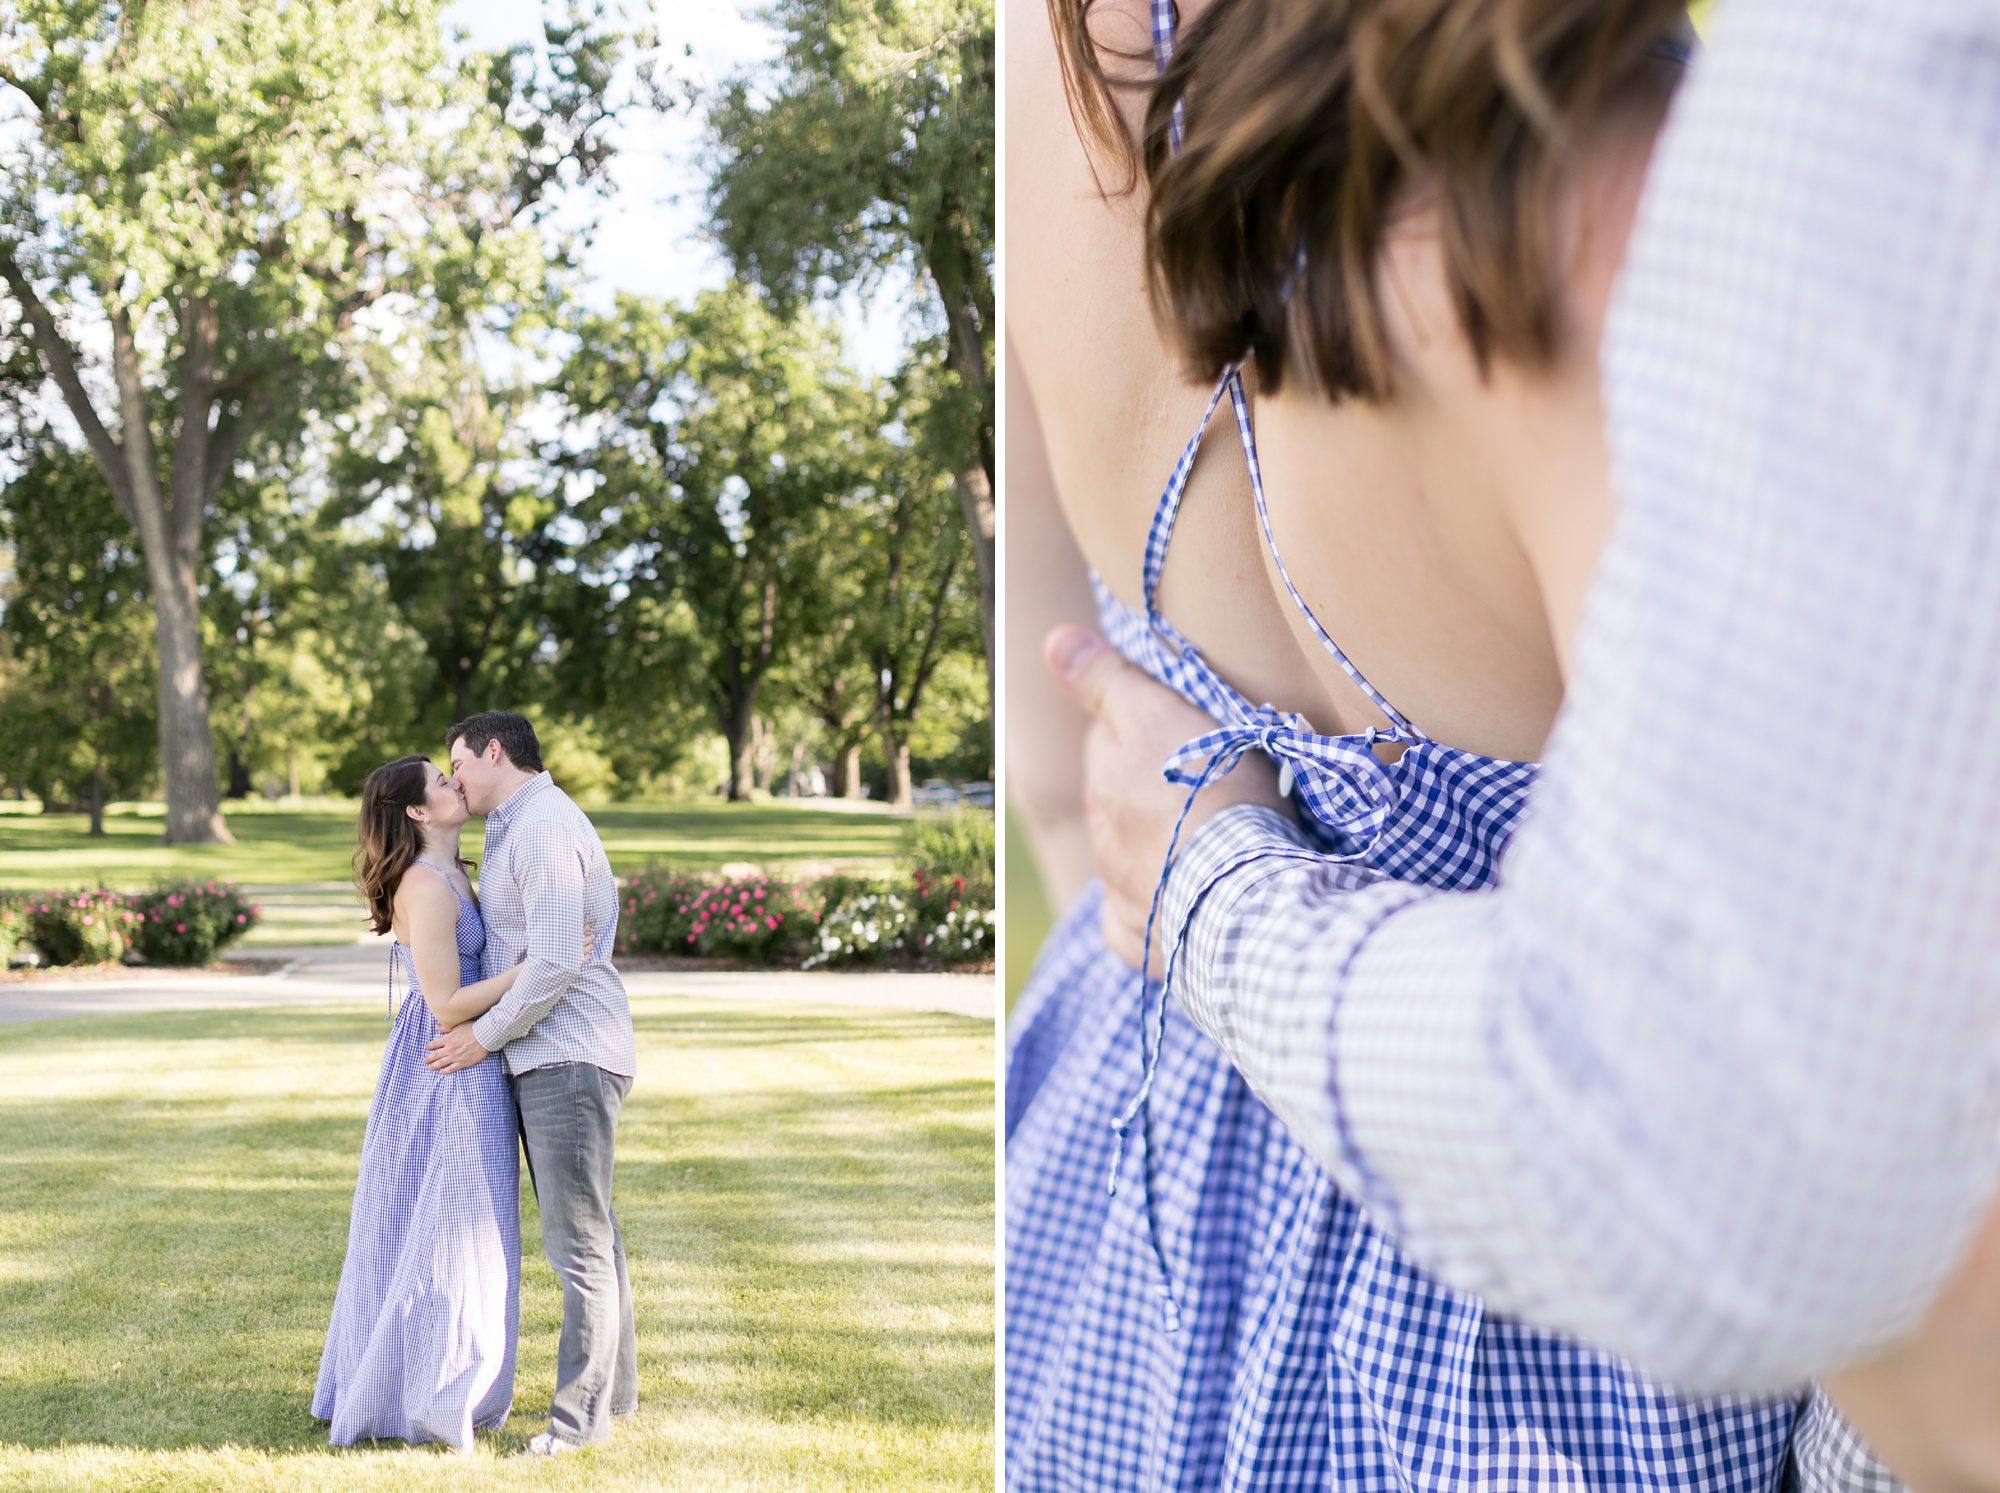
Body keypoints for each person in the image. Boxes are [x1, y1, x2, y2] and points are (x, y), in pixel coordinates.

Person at [1040, 0, 2000, 1487]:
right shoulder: (1652, 221)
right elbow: (1856, 1230)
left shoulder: (1079, 61)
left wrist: (1175, 886)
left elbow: (1063, 749)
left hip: (1132, 1217)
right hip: (1575, 1365)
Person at [314, 755, 571, 1450]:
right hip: (445, 1065)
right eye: (441, 780)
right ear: (418, 812)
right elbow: (446, 1002)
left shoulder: (460, 870)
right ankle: (422, 1390)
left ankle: (449, 1379)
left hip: (470, 1058)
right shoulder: (426, 886)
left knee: (468, 1227)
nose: (458, 783)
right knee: (446, 1226)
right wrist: (536, 964)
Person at [425, 711, 639, 1456]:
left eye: (458, 763)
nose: (453, 780)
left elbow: (553, 962)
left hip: (569, 1054)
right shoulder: (512, 821)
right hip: (549, 1052)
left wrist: (478, 1039)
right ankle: (616, 1397)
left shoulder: (543, 823)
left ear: (494, 750)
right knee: (595, 1234)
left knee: (576, 1243)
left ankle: (579, 1424)